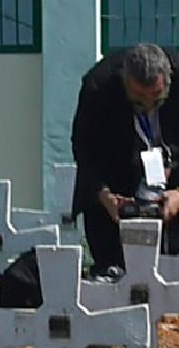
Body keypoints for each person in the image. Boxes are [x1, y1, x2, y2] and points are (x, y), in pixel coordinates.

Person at [68, 40, 179, 279]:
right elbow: (84, 149)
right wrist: (104, 194)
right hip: (117, 181)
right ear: (124, 81)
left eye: (156, 98)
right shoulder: (98, 86)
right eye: (139, 99)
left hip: (174, 180)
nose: (148, 106)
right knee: (115, 270)